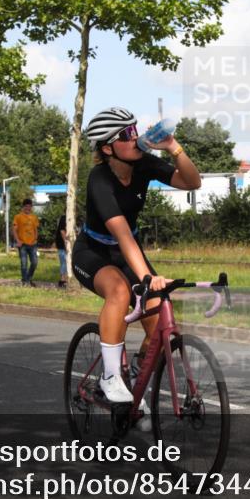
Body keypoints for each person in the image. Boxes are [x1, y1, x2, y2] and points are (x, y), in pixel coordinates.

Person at [73, 106, 201, 410]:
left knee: (162, 326)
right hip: (94, 252)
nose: (136, 137)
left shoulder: (143, 163)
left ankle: (134, 376)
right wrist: (147, 277)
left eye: (135, 129)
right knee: (119, 291)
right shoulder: (99, 179)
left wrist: (173, 147)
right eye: (127, 134)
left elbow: (192, 182)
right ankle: (110, 376)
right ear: (108, 148)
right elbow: (123, 236)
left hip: (127, 253)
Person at [12, 198, 40, 287]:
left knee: (34, 262)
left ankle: (28, 279)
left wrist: (36, 239)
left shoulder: (34, 217)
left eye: (29, 206)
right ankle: (25, 281)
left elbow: (36, 229)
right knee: (24, 264)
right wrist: (18, 241)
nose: (28, 208)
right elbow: (14, 230)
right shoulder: (18, 217)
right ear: (23, 207)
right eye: (26, 206)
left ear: (31, 207)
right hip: (23, 244)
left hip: (33, 244)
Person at [55, 213, 68, 288]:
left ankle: (65, 279)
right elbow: (62, 231)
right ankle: (62, 280)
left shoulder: (70, 218)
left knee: (65, 262)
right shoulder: (64, 218)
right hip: (62, 244)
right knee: (64, 261)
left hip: (65, 244)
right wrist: (66, 243)